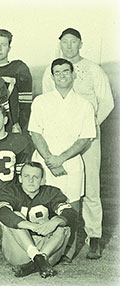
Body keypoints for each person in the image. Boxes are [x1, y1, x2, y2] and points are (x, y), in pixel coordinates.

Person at [42, 28, 114, 259]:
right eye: (65, 42)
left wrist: (90, 127)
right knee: (64, 186)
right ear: (60, 43)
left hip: (89, 138)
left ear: (81, 44)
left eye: (74, 42)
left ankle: (94, 237)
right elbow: (48, 103)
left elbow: (107, 103)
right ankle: (62, 236)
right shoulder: (50, 71)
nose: (69, 46)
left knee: (91, 187)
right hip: (62, 137)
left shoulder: (94, 69)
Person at [29, 58, 95, 260]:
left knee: (71, 206)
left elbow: (85, 138)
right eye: (57, 72)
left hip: (71, 162)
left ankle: (69, 249)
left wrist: (61, 159)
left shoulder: (85, 105)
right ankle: (42, 246)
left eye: (66, 71)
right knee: (41, 205)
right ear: (52, 76)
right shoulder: (41, 101)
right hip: (44, 161)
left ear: (73, 74)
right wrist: (50, 159)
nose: (62, 75)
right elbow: (35, 133)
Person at [0, 162, 78, 278]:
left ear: (42, 180)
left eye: (35, 177)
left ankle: (36, 262)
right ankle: (38, 258)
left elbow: (71, 214)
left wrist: (56, 221)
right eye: (27, 176)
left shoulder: (51, 192)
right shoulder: (11, 191)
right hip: (20, 248)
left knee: (62, 224)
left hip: (48, 250)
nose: (31, 180)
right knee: (14, 217)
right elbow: (3, 212)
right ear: (20, 178)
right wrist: (30, 225)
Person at [0, 29, 31, 133]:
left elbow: (25, 104)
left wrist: (20, 125)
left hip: (11, 126)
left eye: (4, 45)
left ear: (9, 48)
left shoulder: (19, 68)